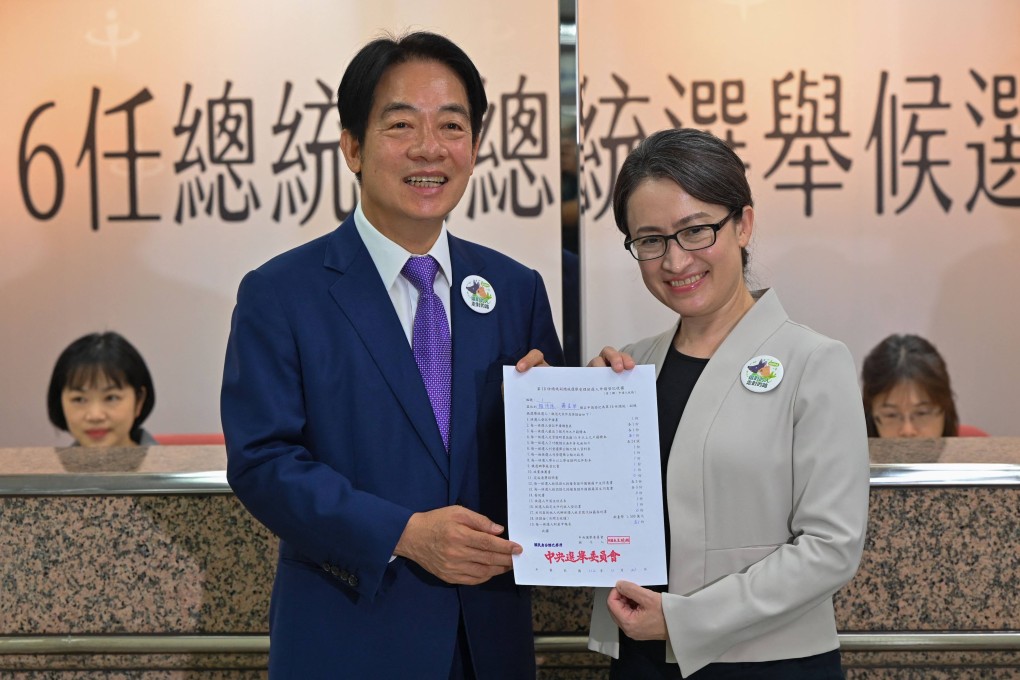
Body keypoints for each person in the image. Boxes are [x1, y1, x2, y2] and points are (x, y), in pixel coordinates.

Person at [220, 31, 562, 680]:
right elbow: (262, 461)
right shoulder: (281, 293)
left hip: (488, 644)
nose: (430, 149)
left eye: (452, 126)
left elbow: (552, 478)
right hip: (351, 635)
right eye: (401, 124)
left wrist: (588, 405)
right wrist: (403, 532)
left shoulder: (515, 290)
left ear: (476, 145)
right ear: (352, 146)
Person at [583, 128, 870, 678]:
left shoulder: (814, 361)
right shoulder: (628, 369)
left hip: (768, 662)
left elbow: (831, 547)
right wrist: (563, 411)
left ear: (744, 224)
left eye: (695, 231)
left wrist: (683, 619)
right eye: (650, 240)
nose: (674, 260)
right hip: (640, 658)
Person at [47, 331, 157, 447]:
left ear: (139, 401)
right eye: (79, 399)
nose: (95, 416)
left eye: (111, 398)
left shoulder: (168, 465)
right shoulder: (45, 465)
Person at [861, 333, 982, 437]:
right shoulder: (849, 460)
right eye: (891, 415)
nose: (908, 431)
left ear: (946, 408)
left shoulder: (976, 451)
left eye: (922, 413)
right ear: (871, 415)